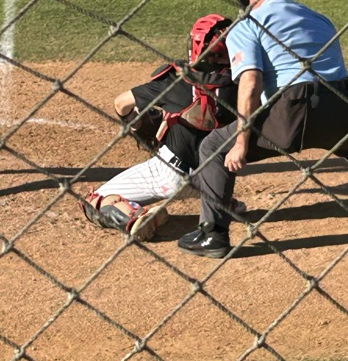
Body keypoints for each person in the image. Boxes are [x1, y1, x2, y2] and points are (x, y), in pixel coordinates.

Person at [178, 0, 348, 259]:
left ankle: (212, 235)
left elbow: (250, 83)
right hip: (342, 104)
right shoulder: (320, 19)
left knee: (214, 147)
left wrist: (240, 142)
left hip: (291, 112)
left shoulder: (249, 23)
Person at [82, 15, 243, 241]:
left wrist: (136, 124)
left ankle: (134, 217)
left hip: (169, 175)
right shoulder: (245, 83)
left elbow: (121, 103)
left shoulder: (174, 82)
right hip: (214, 176)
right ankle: (221, 202)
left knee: (94, 201)